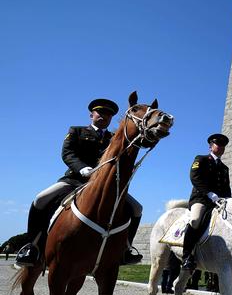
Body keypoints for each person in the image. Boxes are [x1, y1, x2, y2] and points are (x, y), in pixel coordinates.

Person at [16, 98, 143, 267]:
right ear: (92, 114)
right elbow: (67, 153)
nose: (104, 116)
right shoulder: (76, 131)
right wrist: (82, 168)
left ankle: (126, 249)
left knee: (137, 208)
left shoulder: (115, 138)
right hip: (74, 180)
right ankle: (31, 246)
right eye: (100, 112)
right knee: (40, 199)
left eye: (108, 114)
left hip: (102, 185)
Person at [181, 133, 231, 271]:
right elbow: (195, 178)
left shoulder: (224, 168)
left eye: (223, 146)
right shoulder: (201, 159)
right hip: (201, 199)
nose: (221, 147)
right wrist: (209, 193)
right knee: (196, 220)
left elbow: (226, 187)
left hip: (218, 202)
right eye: (218, 144)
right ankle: (187, 256)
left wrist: (228, 200)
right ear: (211, 146)